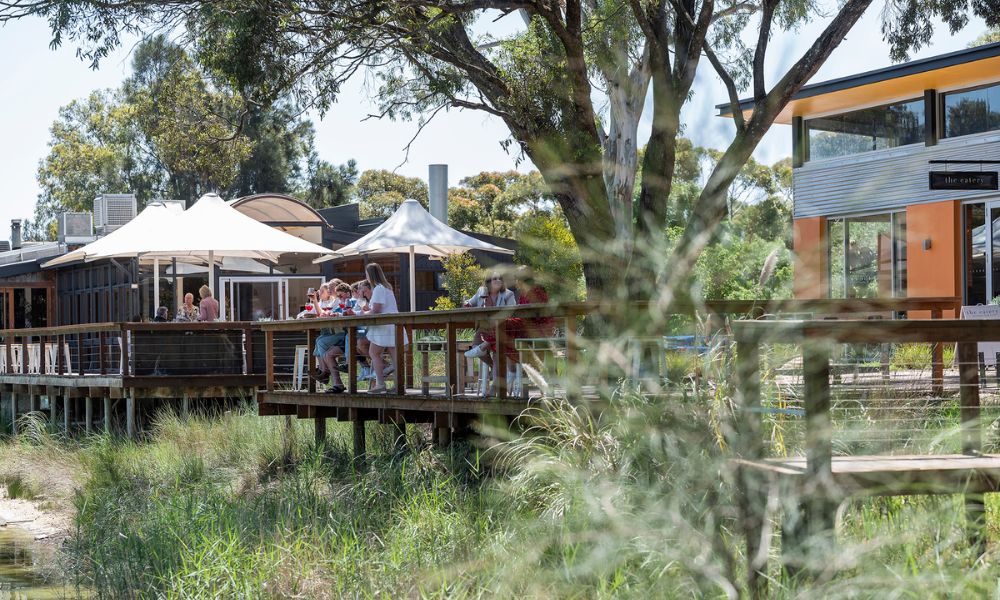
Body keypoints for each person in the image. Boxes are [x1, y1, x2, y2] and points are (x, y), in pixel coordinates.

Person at [361, 263, 407, 393]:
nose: (366, 277)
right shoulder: (387, 287)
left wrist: (362, 313)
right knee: (394, 355)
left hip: (384, 327)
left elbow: (376, 310)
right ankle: (399, 384)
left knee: (373, 353)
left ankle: (380, 384)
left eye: (367, 274)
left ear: (371, 275)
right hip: (392, 325)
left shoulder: (379, 288)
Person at [463, 272, 517, 379]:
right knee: (475, 348)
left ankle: (498, 370)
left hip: (501, 328)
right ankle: (493, 365)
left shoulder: (508, 294)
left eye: (500, 279)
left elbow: (513, 313)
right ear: (488, 282)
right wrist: (466, 303)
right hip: (484, 327)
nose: (498, 281)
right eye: (495, 279)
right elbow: (470, 303)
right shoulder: (481, 291)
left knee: (494, 349)